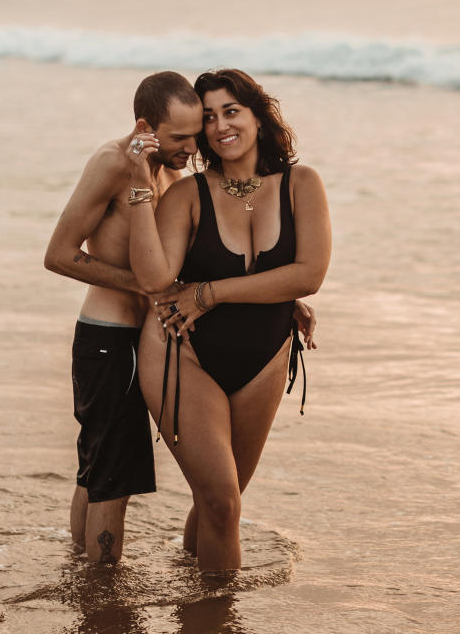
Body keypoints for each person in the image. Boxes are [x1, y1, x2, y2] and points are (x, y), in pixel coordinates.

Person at [44, 71, 317, 563]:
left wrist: (279, 297)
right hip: (110, 335)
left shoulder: (169, 168)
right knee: (110, 477)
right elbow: (59, 255)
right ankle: (101, 595)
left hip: (152, 330)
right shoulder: (114, 164)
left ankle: (79, 569)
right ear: (147, 126)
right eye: (182, 135)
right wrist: (157, 289)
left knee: (99, 467)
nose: (196, 145)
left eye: (199, 131)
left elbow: (193, 259)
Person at [124, 69, 332, 571]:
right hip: (184, 355)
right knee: (221, 500)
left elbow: (308, 275)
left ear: (259, 115)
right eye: (209, 117)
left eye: (231, 111)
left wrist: (210, 293)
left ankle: (193, 589)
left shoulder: (301, 185)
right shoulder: (187, 195)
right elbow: (155, 279)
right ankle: (218, 617)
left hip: (264, 358)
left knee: (221, 499)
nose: (219, 127)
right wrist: (138, 184)